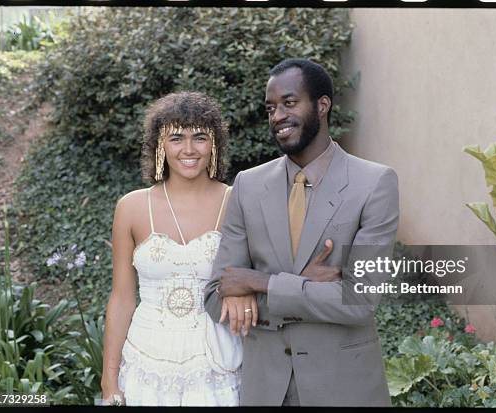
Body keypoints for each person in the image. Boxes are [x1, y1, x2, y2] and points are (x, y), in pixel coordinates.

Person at [203, 58, 399, 406]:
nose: (277, 115)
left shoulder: (375, 183)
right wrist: (303, 287)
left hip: (344, 387)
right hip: (266, 389)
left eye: (289, 103)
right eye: (270, 108)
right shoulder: (248, 186)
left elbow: (362, 301)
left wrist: (262, 282)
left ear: (323, 105)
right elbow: (219, 293)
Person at [101, 92, 244, 406]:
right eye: (176, 138)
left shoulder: (238, 201)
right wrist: (109, 379)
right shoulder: (131, 207)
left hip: (216, 362)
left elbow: (258, 276)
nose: (189, 150)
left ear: (215, 144)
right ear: (159, 146)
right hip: (145, 363)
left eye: (200, 137)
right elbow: (122, 298)